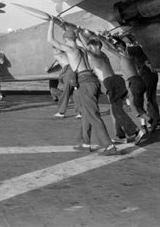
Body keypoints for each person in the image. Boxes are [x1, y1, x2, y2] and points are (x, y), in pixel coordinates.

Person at [47, 19, 119, 156]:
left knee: (93, 114)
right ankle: (85, 143)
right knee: (87, 114)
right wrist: (70, 29)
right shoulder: (82, 48)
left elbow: (50, 40)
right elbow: (75, 38)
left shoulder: (70, 49)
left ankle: (109, 147)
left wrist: (50, 22)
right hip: (93, 81)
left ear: (66, 39)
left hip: (85, 83)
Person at [79, 32, 145, 145]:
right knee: (115, 109)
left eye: (90, 46)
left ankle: (135, 131)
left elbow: (84, 45)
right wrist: (93, 37)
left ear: (92, 47)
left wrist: (78, 33)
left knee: (116, 110)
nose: (88, 47)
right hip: (118, 80)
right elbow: (92, 45)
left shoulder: (92, 55)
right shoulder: (103, 55)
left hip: (109, 82)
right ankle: (120, 135)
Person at [100, 37, 152, 135]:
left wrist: (100, 38)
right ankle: (144, 126)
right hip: (140, 81)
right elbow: (114, 46)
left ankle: (149, 120)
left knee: (134, 105)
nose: (117, 49)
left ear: (121, 48)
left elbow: (108, 49)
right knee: (138, 105)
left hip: (134, 82)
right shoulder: (129, 56)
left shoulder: (121, 56)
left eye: (118, 48)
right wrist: (110, 40)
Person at [125, 35, 160, 131]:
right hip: (152, 75)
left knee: (148, 99)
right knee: (152, 98)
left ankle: (154, 122)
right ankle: (157, 122)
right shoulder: (142, 49)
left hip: (146, 75)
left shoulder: (132, 50)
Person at [50, 47, 80, 118]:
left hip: (70, 73)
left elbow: (55, 66)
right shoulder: (67, 54)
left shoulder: (58, 55)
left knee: (65, 93)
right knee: (76, 92)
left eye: (55, 50)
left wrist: (49, 69)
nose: (54, 52)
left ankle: (61, 112)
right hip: (74, 72)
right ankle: (80, 112)